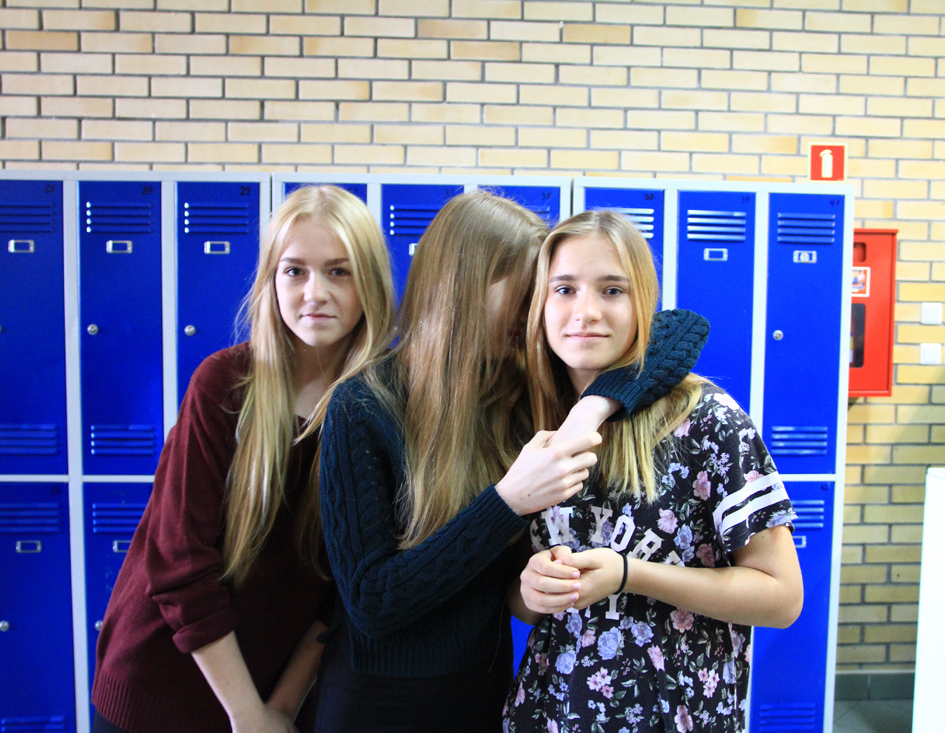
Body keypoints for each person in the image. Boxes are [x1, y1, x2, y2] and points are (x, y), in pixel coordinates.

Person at [311, 191, 709, 732]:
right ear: (463, 287)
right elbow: (371, 602)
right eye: (526, 294)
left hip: (484, 690)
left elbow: (679, 329)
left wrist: (592, 407)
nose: (536, 313)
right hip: (378, 705)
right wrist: (507, 503)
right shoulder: (363, 404)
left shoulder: (516, 391)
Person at [92, 185, 395, 733]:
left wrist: (278, 708)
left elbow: (342, 591)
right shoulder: (225, 385)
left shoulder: (382, 407)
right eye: (294, 271)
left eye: (339, 272)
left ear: (370, 282)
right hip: (160, 686)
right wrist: (246, 713)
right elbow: (180, 562)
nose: (315, 293)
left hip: (269, 697)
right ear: (271, 282)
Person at [504, 210, 803, 733]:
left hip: (677, 715)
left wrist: (629, 574)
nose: (586, 311)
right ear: (540, 305)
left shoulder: (707, 421)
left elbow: (781, 598)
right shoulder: (526, 428)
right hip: (552, 713)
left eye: (612, 290)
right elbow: (518, 600)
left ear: (641, 303)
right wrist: (529, 592)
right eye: (564, 289)